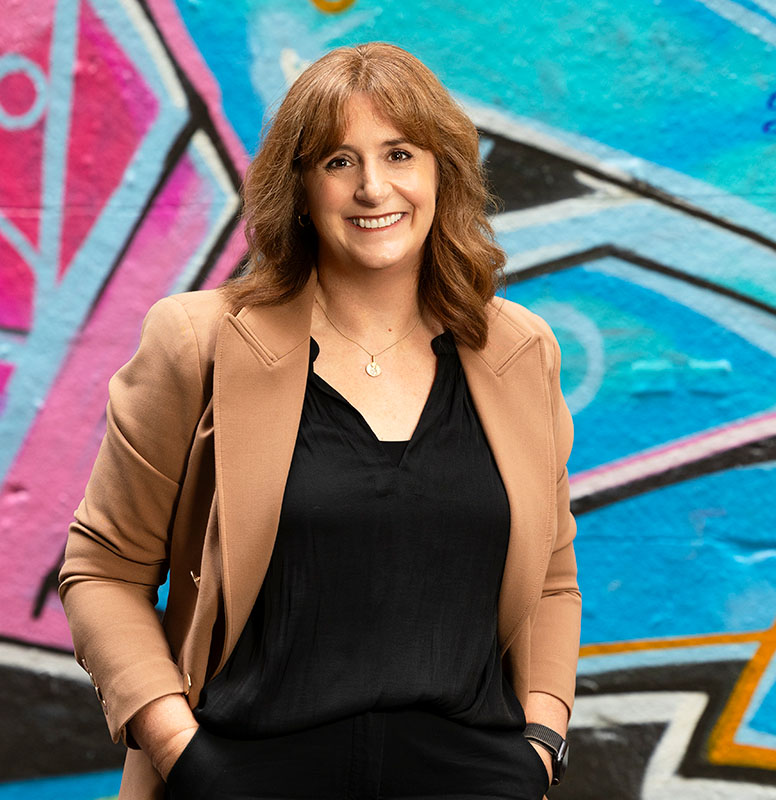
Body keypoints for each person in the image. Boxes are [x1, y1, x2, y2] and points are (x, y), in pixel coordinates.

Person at [59, 41, 580, 800]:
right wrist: (185, 754)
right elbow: (102, 570)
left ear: (442, 173)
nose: (374, 188)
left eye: (400, 153)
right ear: (300, 187)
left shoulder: (518, 351)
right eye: (338, 161)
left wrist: (540, 742)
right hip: (246, 778)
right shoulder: (197, 343)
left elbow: (551, 580)